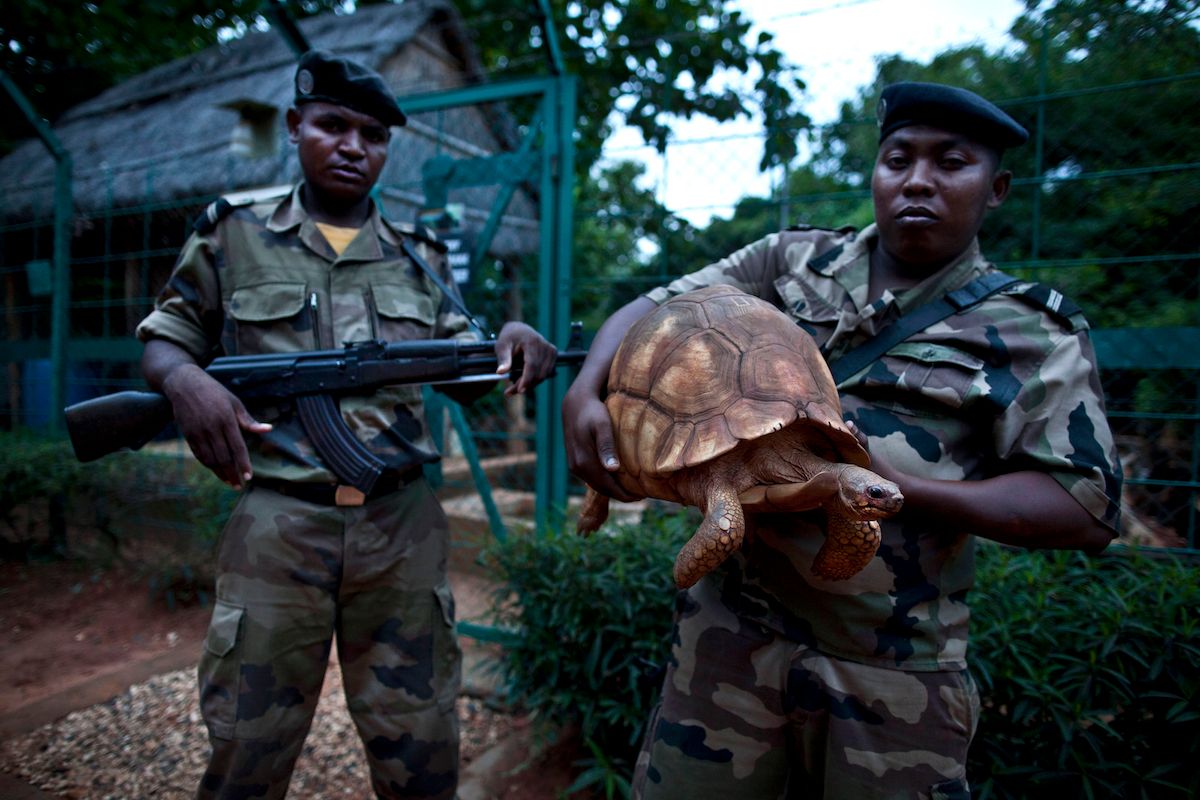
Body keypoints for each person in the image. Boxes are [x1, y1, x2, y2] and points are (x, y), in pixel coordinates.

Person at [562, 81, 1122, 799]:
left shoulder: (1032, 330)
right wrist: (585, 388)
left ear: (999, 187)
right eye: (898, 159)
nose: (918, 179)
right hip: (728, 640)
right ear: (876, 173)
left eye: (951, 162)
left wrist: (895, 492)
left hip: (891, 670)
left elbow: (1085, 507)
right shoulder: (787, 263)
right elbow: (658, 305)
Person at [137, 50, 557, 800]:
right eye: (332, 125)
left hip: (400, 529)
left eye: (373, 134)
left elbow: (467, 366)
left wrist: (513, 341)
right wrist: (183, 381)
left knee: (421, 742)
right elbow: (167, 336)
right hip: (278, 525)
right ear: (296, 127)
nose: (353, 146)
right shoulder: (232, 234)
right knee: (247, 745)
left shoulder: (419, 256)